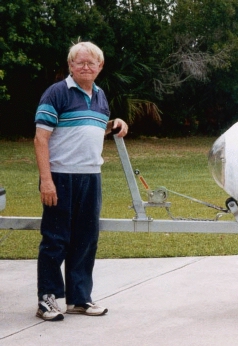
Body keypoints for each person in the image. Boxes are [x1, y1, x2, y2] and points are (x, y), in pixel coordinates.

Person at [34, 41, 128, 321]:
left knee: (86, 239)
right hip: (60, 178)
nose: (86, 67)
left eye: (91, 63)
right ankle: (47, 300)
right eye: (80, 62)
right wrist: (46, 181)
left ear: (100, 67)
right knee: (55, 239)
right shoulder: (56, 93)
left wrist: (115, 124)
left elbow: (91, 127)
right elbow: (41, 138)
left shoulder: (100, 96)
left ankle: (79, 299)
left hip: (91, 177)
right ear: (70, 66)